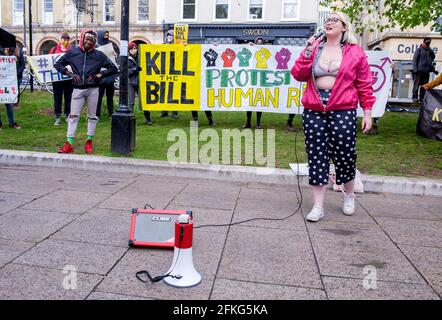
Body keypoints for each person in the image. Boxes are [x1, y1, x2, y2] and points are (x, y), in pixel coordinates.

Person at [291, 12, 375, 222]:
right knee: (316, 156)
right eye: (326, 20)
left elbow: (364, 85)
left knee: (345, 155)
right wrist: (307, 52)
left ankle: (349, 195)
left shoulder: (355, 53)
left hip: (343, 109)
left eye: (334, 20)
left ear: (344, 27)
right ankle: (318, 206)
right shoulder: (315, 48)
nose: (329, 22)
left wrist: (367, 112)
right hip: (314, 110)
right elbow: (298, 74)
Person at [54, 28, 118, 154]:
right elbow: (58, 64)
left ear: (94, 42)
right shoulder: (73, 52)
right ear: (82, 38)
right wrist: (69, 74)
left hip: (93, 90)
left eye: (91, 40)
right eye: (87, 39)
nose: (88, 42)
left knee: (92, 116)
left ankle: (89, 142)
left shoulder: (98, 55)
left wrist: (99, 75)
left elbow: (113, 68)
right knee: (73, 116)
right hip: (77, 90)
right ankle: (69, 144)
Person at [49, 32, 73, 125]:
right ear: (61, 39)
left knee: (68, 97)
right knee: (57, 97)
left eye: (67, 40)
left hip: (68, 78)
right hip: (57, 79)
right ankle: (57, 116)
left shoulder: (72, 49)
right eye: (64, 39)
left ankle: (68, 115)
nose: (65, 41)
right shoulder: (54, 49)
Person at [127, 42, 151, 125]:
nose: (134, 50)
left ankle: (148, 119)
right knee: (131, 102)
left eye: (135, 48)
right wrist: (135, 69)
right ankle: (129, 120)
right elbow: (126, 72)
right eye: (132, 49)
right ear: (129, 50)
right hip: (131, 83)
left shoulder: (140, 57)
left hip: (140, 82)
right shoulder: (126, 59)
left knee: (144, 101)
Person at [243, 37, 265, 129]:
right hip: (251, 81)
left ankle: (258, 123)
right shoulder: (251, 49)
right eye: (257, 42)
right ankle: (248, 122)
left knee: (258, 103)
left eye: (261, 43)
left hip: (260, 81)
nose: (259, 44)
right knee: (249, 103)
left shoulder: (265, 52)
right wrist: (248, 45)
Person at [95, 30, 117, 118]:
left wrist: (114, 55)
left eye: (108, 35)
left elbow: (113, 61)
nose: (107, 37)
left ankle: (111, 113)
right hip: (100, 76)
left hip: (110, 76)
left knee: (110, 97)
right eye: (105, 35)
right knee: (98, 97)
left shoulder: (109, 46)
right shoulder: (96, 47)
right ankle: (97, 114)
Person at [0, 47, 22, 130]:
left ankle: (11, 122)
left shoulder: (12, 55)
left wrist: (14, 60)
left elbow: (15, 67)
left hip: (7, 83)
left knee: (9, 103)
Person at [160, 29, 178, 119]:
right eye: (167, 35)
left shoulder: (177, 46)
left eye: (171, 35)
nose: (169, 37)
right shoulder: (163, 45)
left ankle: (174, 112)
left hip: (173, 71)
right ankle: (164, 111)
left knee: (173, 92)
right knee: (163, 91)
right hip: (164, 71)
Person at [412, 37, 435, 102]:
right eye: (427, 41)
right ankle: (414, 97)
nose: (428, 42)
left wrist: (429, 49)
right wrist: (415, 69)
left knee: (424, 85)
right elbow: (414, 60)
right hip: (418, 71)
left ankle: (422, 98)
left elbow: (433, 56)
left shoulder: (430, 51)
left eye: (429, 41)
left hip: (426, 71)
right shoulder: (419, 49)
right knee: (416, 85)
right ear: (424, 41)